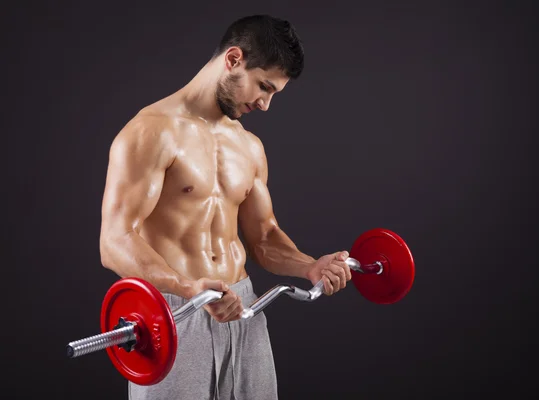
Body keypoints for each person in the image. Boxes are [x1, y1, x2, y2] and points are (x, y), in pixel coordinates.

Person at [99, 14, 352, 400]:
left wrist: (308, 265)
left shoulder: (248, 146)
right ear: (233, 59)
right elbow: (115, 241)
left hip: (243, 307)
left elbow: (264, 238)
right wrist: (190, 289)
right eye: (263, 86)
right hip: (175, 313)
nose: (265, 105)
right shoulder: (150, 131)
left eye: (274, 94)